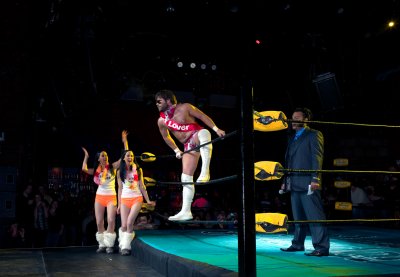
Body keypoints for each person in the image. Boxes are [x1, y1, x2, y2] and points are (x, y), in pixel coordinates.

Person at [155, 89, 225, 221]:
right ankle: (186, 211)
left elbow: (202, 116)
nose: (157, 104)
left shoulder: (185, 107)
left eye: (159, 101)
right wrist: (176, 150)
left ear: (168, 101)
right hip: (187, 145)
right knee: (185, 177)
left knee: (205, 133)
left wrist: (216, 129)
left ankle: (205, 172)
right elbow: (166, 137)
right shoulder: (161, 121)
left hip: (196, 135)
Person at [280, 107, 330, 257]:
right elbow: (290, 161)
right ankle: (297, 244)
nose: (293, 120)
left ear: (305, 120)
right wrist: (285, 180)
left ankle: (321, 247)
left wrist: (316, 178)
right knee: (298, 218)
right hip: (294, 183)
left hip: (309, 182)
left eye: (297, 117)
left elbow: (317, 158)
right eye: (292, 117)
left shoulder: (314, 135)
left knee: (314, 215)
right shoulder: (292, 138)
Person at [81, 130, 128, 254]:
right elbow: (84, 169)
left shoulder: (112, 167)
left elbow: (124, 157)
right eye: (102, 155)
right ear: (98, 158)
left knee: (111, 221)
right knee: (99, 221)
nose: (105, 156)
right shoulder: (96, 171)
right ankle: (102, 244)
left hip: (111, 197)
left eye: (106, 155)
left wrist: (125, 142)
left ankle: (110, 244)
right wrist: (86, 157)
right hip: (99, 198)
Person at [117, 149, 156, 256]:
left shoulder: (138, 170)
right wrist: (119, 204)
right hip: (124, 199)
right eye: (128, 156)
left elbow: (142, 186)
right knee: (124, 226)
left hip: (137, 198)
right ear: (124, 158)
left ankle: (126, 247)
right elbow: (120, 188)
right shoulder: (119, 172)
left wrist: (148, 201)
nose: (130, 158)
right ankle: (122, 243)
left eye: (132, 156)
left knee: (130, 223)